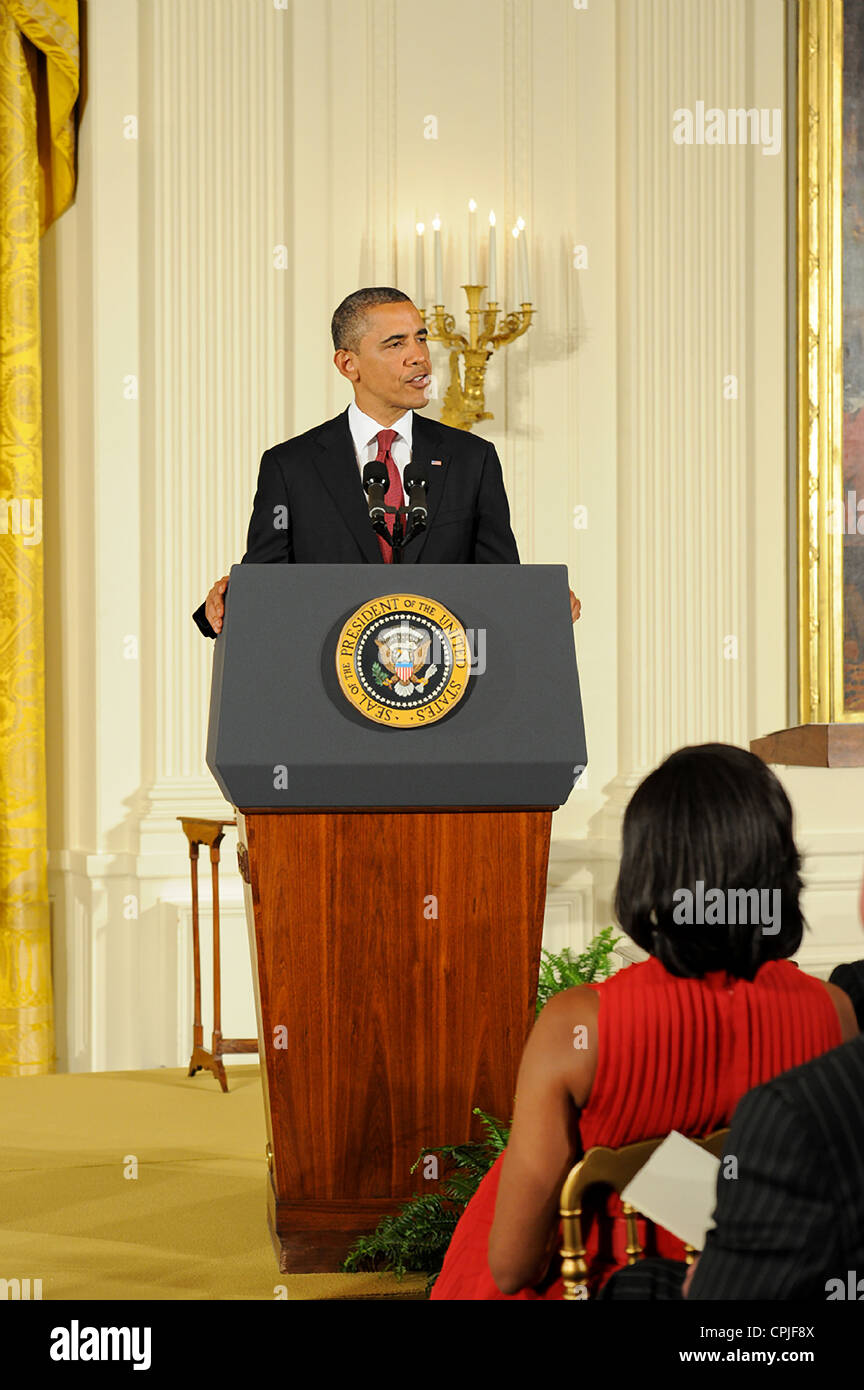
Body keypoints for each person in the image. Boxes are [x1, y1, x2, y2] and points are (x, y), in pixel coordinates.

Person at [430, 743, 858, 1300]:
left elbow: (512, 1269)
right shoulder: (835, 1014)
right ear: (778, 866)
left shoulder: (579, 1026)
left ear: (648, 867)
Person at [193, 286, 581, 637]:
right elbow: (267, 589)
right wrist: (226, 602)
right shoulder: (290, 466)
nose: (419, 356)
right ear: (348, 364)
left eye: (421, 338)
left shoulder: (472, 459)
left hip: (446, 691)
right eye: (396, 344)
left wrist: (539, 603)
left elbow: (500, 584)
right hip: (327, 692)